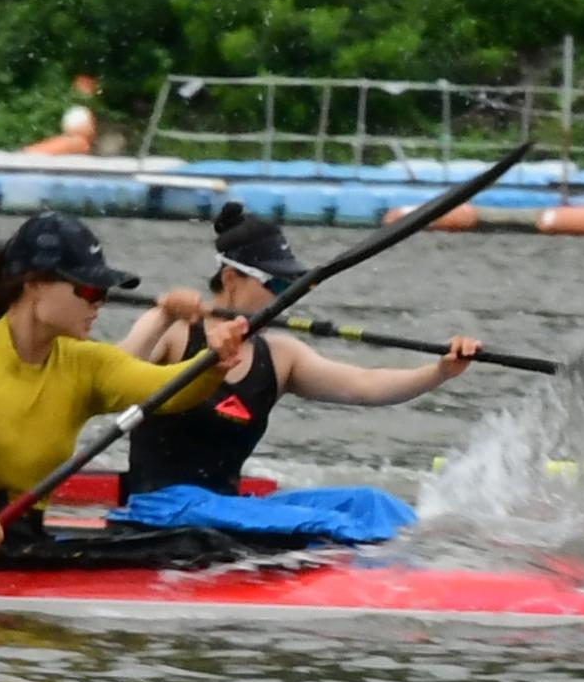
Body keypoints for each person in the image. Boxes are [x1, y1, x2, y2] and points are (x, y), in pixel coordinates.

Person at [0, 211, 250, 563]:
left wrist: (211, 363)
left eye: (103, 293)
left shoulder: (85, 364)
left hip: (24, 541)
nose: (98, 304)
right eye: (88, 290)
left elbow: (166, 390)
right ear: (33, 285)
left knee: (197, 545)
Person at [114, 202, 482, 497]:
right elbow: (109, 374)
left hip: (219, 515)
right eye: (275, 284)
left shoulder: (281, 356)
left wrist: (440, 372)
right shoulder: (177, 333)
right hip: (158, 509)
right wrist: (161, 314)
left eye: (291, 286)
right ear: (230, 279)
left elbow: (365, 385)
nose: (284, 298)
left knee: (371, 504)